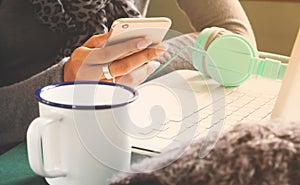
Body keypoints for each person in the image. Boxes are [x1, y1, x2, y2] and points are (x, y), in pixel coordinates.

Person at [0, 0, 256, 154]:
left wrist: (135, 66)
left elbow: (234, 38)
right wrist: (65, 84)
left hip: (126, 133)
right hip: (22, 151)